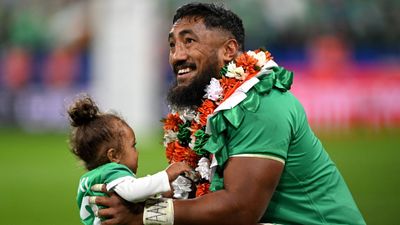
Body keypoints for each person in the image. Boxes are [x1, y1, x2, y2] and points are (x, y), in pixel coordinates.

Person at [91, 3, 366, 225]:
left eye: (189, 41)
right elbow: (195, 190)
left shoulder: (259, 104)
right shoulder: (203, 111)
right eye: (173, 45)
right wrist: (125, 199)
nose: (176, 56)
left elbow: (241, 211)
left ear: (229, 50)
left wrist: (145, 216)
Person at [67, 94, 191, 225]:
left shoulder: (93, 178)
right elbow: (133, 191)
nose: (137, 152)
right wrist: (166, 176)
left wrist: (160, 193)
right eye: (133, 145)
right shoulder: (112, 171)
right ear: (114, 156)